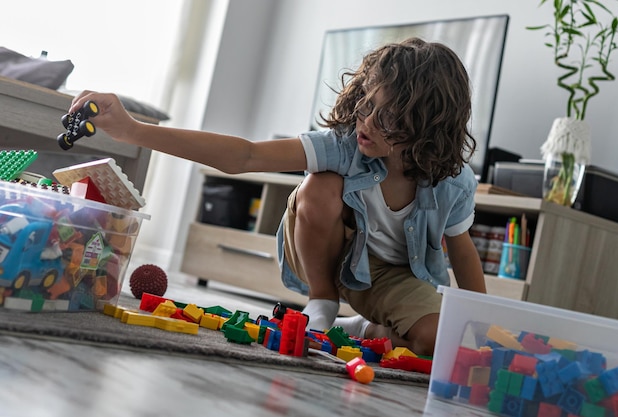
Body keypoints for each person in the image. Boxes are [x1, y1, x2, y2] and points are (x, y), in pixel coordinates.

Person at [69, 37, 486, 356]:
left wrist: (480, 329)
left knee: (436, 340)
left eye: (388, 117)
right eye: (367, 104)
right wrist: (133, 131)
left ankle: (362, 328)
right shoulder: (344, 146)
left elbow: (462, 252)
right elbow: (244, 156)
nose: (367, 121)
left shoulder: (453, 183)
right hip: (335, 257)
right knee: (321, 183)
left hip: (395, 277)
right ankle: (321, 303)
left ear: (428, 127)